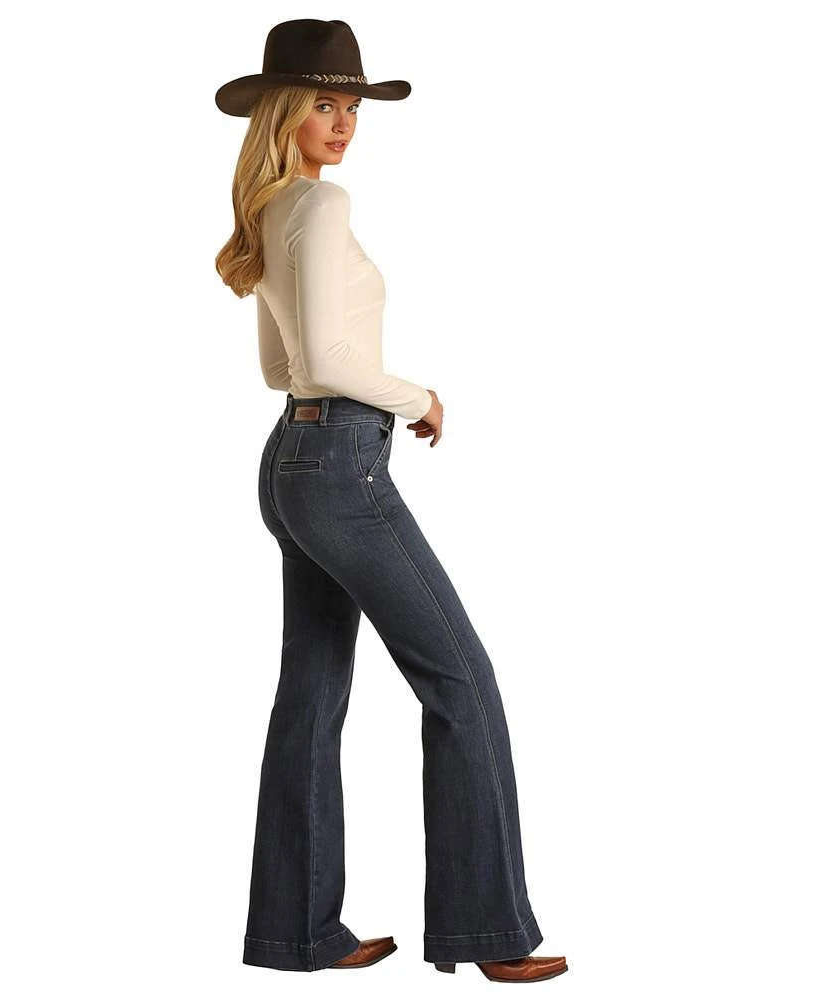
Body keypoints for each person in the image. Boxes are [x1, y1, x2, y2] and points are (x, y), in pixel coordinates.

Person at [214, 19, 568, 983]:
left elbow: (281, 368)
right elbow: (329, 360)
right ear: (285, 113)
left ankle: (296, 933)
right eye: (324, 105)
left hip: (292, 462)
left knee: (312, 694)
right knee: (461, 681)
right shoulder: (321, 206)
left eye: (352, 107)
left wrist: (360, 399)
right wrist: (420, 398)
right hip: (342, 469)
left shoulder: (274, 209)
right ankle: (486, 932)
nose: (343, 123)